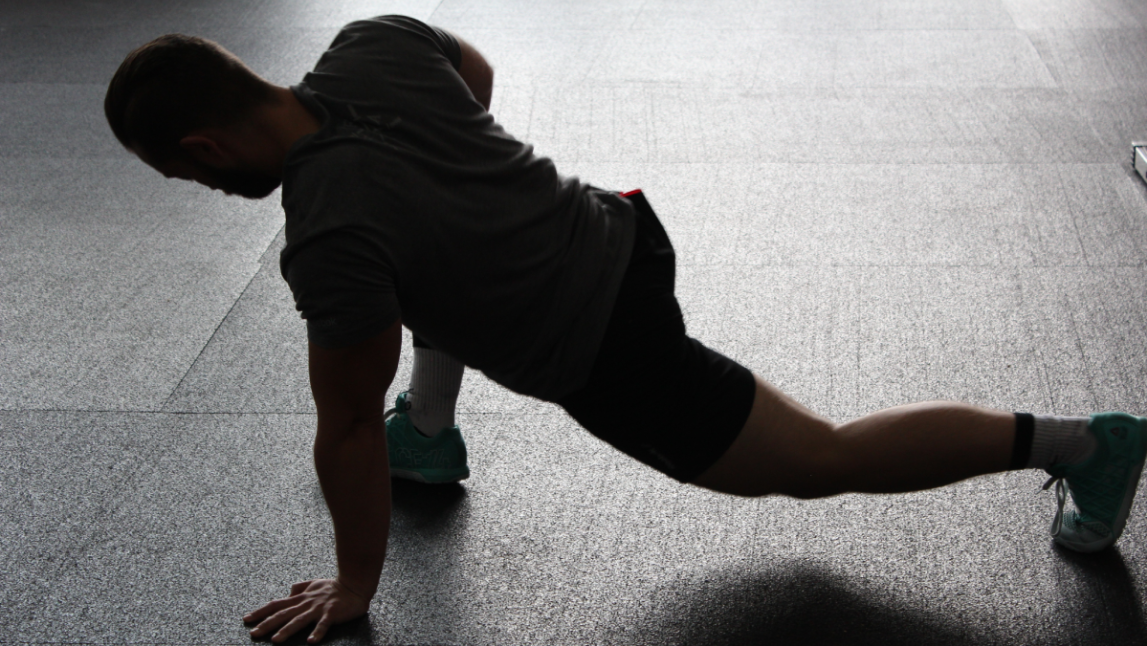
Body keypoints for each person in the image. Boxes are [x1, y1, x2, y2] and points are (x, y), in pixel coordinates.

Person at [104, 15, 1147, 645]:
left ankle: (1083, 444)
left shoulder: (328, 236)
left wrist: (356, 584)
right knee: (426, 264)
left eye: (184, 174)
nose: (200, 187)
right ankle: (429, 427)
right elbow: (475, 80)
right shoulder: (372, 44)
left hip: (608, 347)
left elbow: (339, 429)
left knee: (818, 461)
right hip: (620, 224)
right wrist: (464, 191)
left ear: (201, 144)